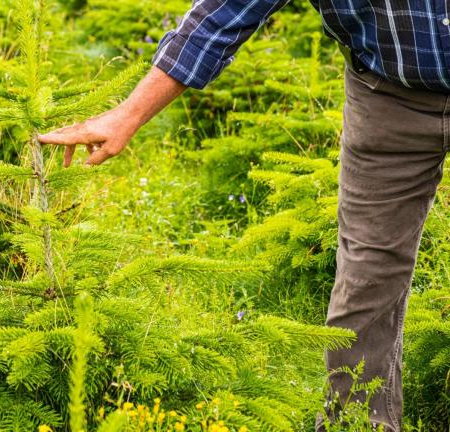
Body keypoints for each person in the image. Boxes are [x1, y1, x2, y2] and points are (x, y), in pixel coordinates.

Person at [37, 1, 450, 430]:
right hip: (388, 96)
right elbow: (227, 9)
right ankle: (359, 423)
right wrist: (130, 114)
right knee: (367, 275)